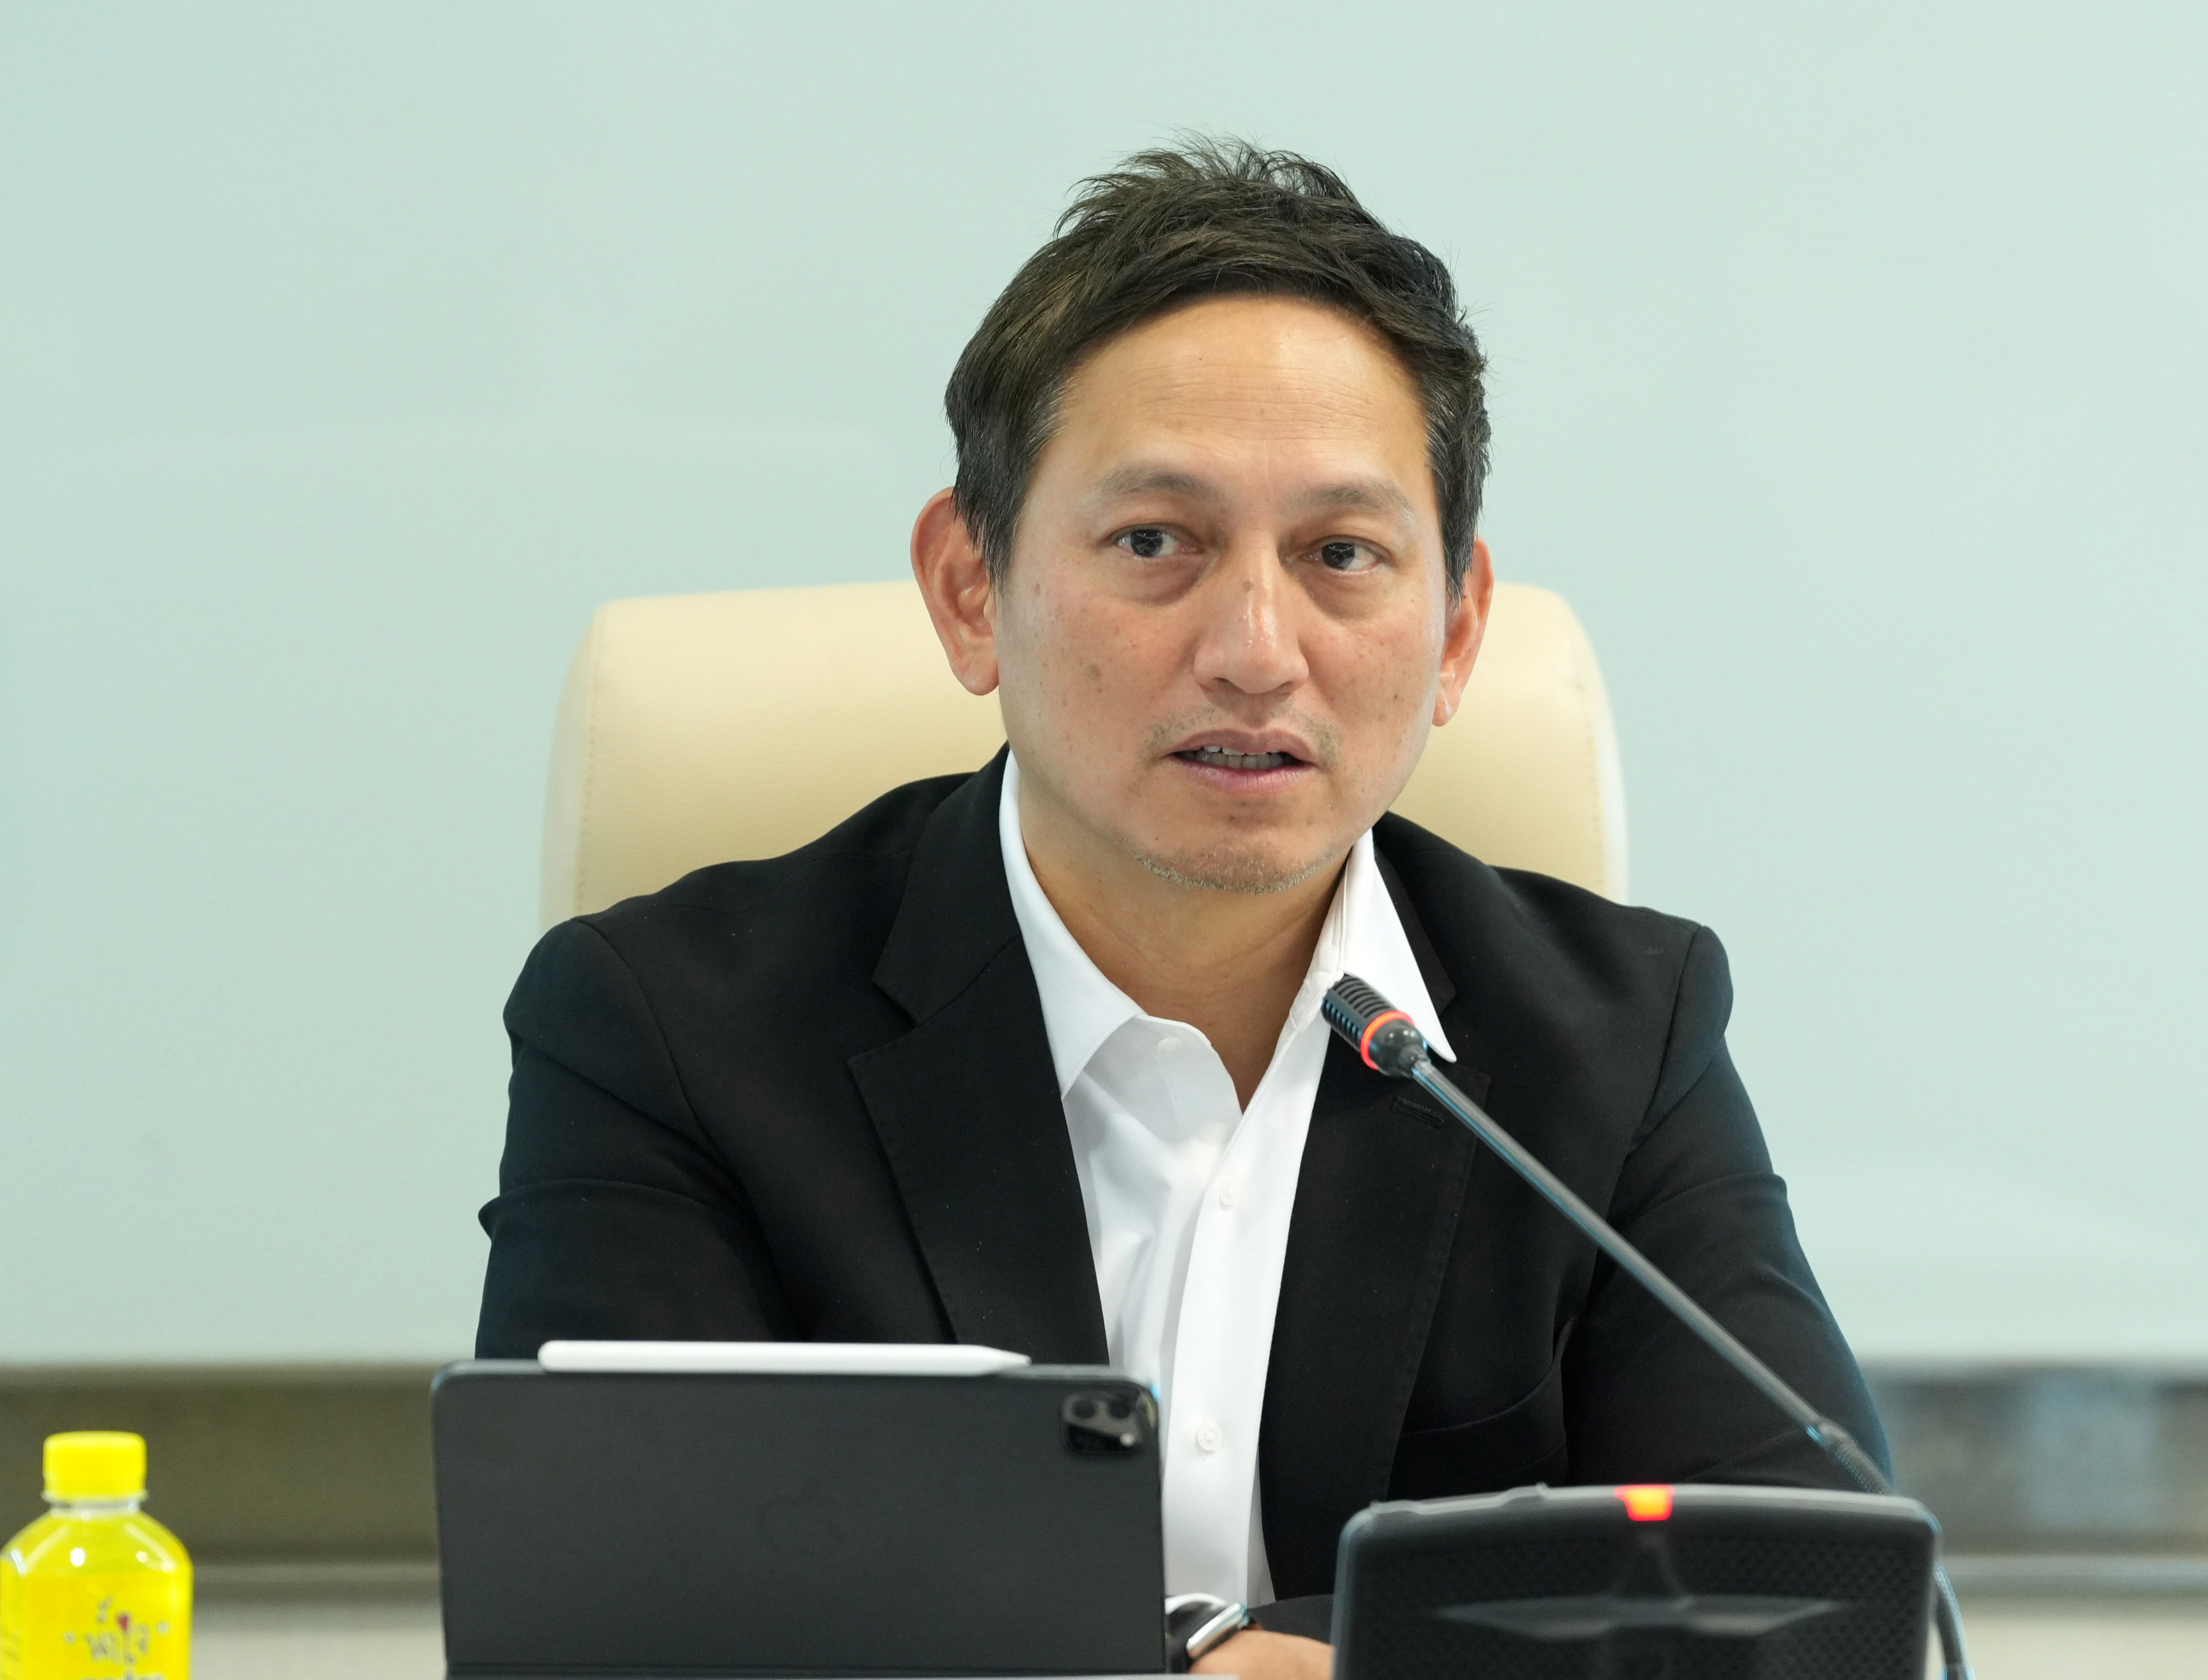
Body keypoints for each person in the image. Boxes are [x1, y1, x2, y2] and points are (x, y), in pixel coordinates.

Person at [477, 140, 1883, 1680]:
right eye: (1155, 543)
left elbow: (1808, 1610)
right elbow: (609, 1632)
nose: (1256, 651)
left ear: (1456, 630)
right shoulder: (670, 1033)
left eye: (1341, 555)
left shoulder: (1616, 1044)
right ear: (968, 588)